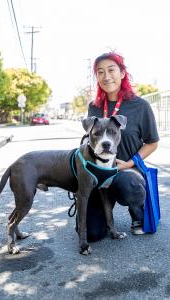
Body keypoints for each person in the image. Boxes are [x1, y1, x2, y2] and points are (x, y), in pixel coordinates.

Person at [85, 51, 159, 241]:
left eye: (111, 70)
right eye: (100, 72)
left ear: (122, 73)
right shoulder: (94, 107)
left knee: (129, 185)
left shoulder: (140, 105)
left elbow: (152, 143)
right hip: (99, 171)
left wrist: (128, 164)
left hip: (127, 170)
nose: (106, 76)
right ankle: (102, 215)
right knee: (92, 234)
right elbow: (90, 140)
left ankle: (137, 211)